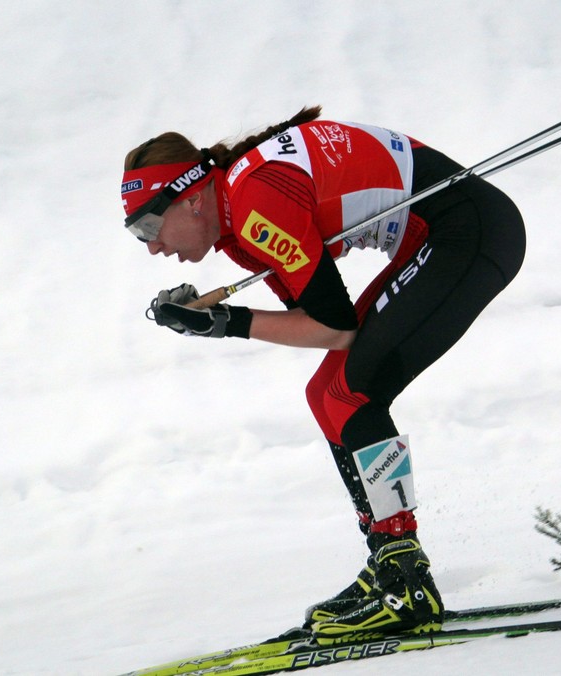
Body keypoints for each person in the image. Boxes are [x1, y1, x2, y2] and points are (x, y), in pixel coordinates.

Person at [120, 106, 525, 644]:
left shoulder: (253, 200)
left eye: (149, 224)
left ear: (190, 197)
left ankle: (405, 580)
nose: (151, 246)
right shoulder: (239, 220)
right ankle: (391, 564)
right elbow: (324, 325)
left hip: (462, 231)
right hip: (447, 230)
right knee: (329, 396)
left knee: (349, 396)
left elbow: (335, 328)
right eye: (137, 234)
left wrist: (226, 324)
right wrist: (219, 321)